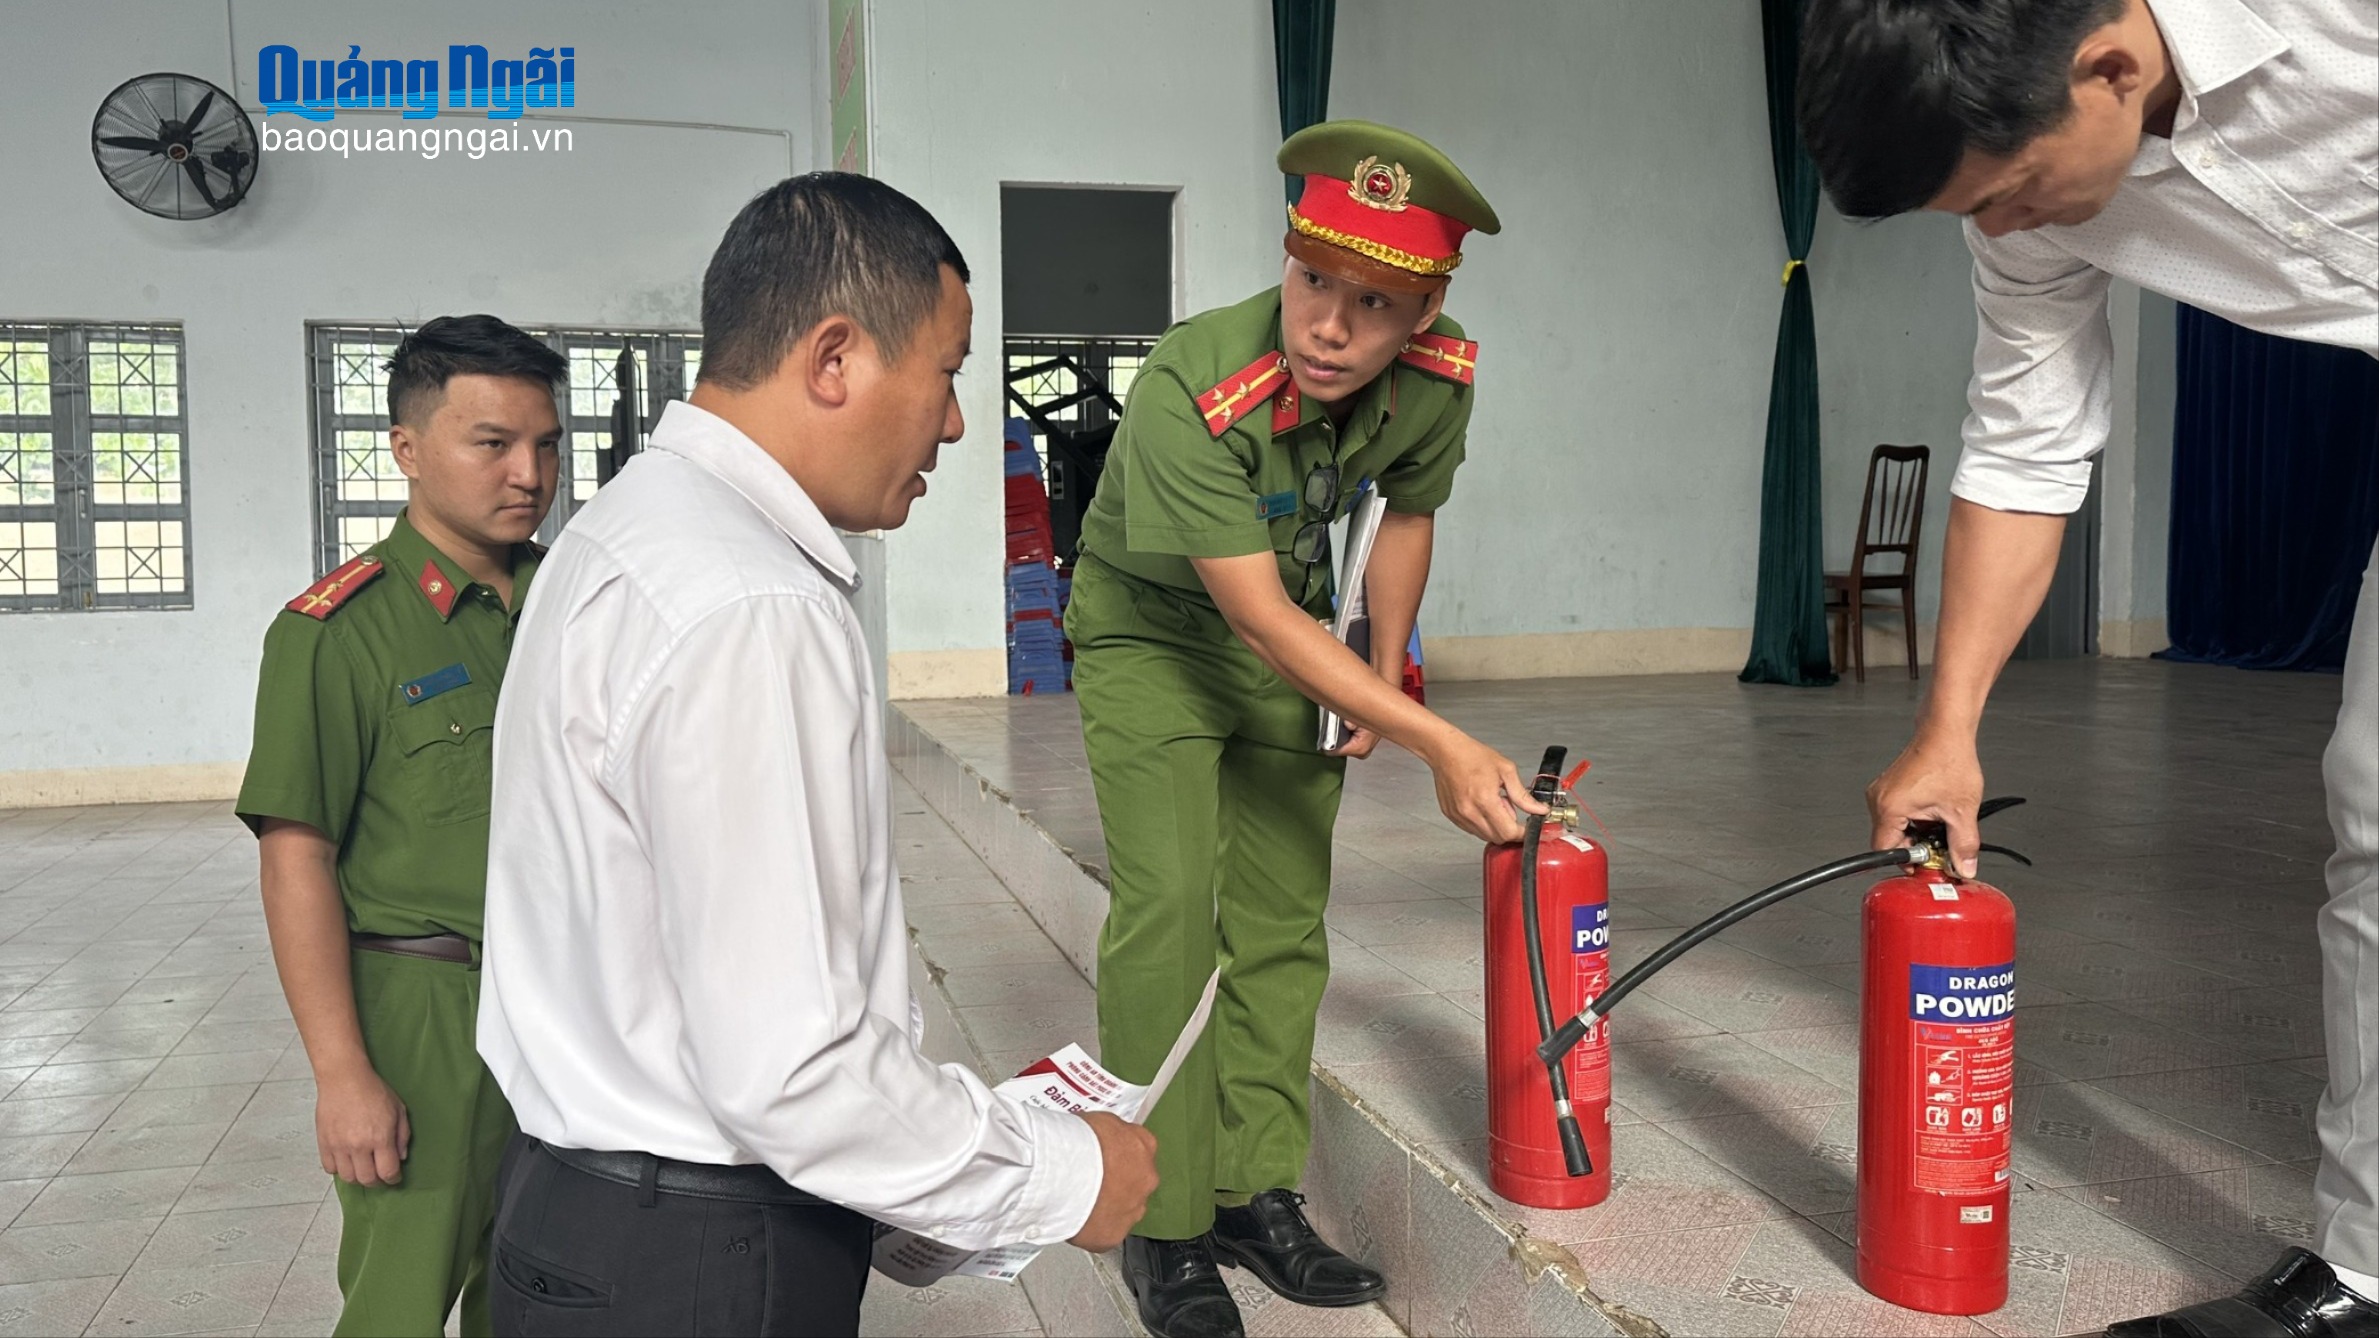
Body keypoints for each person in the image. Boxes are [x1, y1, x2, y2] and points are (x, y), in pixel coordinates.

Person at [476, 173, 1159, 1338]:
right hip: (698, 1262)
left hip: (570, 1219)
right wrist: (1067, 1174)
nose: (954, 422)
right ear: (835, 358)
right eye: (947, 373)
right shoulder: (751, 602)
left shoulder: (620, 534)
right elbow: (790, 1074)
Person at [1798, 1, 2376, 1333]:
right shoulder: (2027, 196)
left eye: (2004, 194)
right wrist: (1946, 725)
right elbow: (2023, 443)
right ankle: (2360, 1270)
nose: (1995, 233)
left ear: (2108, 65)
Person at [1066, 119, 1542, 1338]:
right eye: (1312, 279)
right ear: (1286, 257)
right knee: (1172, 912)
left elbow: (1407, 514)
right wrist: (1433, 735)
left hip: (1297, 638)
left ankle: (1249, 1194)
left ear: (1425, 310)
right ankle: (1159, 1228)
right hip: (1158, 639)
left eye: (1373, 303)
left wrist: (1382, 667)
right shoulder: (1194, 383)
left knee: (1280, 922)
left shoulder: (1436, 382)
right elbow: (1262, 619)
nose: (1329, 325)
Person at [236, 314, 566, 1336]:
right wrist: (344, 1074)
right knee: (400, 1303)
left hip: (568, 1003)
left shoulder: (576, 599)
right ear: (408, 449)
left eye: (548, 444)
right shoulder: (338, 633)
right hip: (425, 1010)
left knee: (548, 1288)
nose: (529, 473)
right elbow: (298, 858)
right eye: (493, 443)